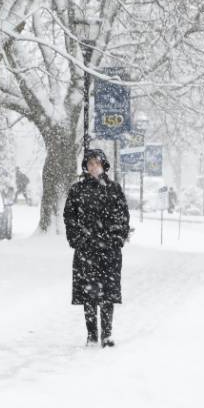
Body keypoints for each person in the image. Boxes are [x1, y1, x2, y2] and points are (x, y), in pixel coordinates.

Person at [64, 148, 130, 347]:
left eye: (97, 163)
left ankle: (107, 334)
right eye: (90, 164)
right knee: (89, 293)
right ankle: (92, 334)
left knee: (108, 292)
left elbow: (123, 216)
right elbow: (70, 217)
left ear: (104, 165)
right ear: (86, 167)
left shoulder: (114, 189)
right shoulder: (77, 190)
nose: (94, 167)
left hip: (109, 250)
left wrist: (117, 238)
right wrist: (78, 239)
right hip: (87, 251)